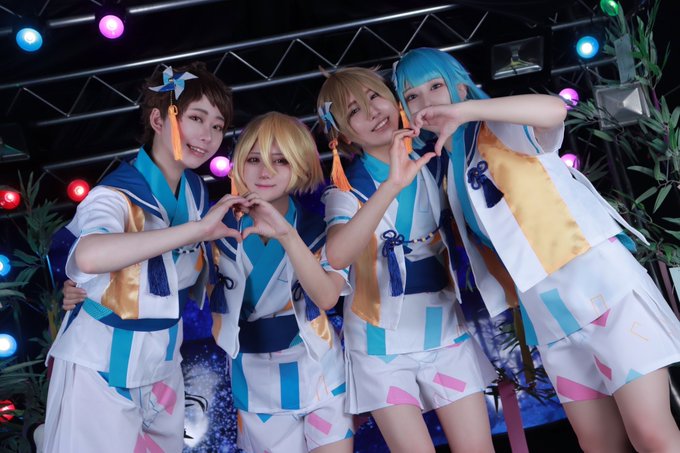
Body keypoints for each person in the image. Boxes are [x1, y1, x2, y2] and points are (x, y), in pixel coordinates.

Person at [394, 47, 680, 453]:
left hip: (602, 290)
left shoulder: (498, 124)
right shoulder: (443, 167)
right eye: (412, 96)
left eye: (435, 86)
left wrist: (467, 111)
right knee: (598, 443)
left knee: (651, 434)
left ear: (460, 87)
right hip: (549, 317)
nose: (426, 101)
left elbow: (554, 110)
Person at [45, 62, 247, 453]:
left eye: (217, 126)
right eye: (196, 118)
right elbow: (87, 256)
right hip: (101, 365)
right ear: (158, 119)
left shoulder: (195, 192)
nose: (207, 136)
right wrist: (196, 231)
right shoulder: (115, 194)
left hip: (163, 365)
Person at [317, 67, 497, 453]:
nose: (372, 112)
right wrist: (392, 184)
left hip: (445, 328)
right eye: (354, 111)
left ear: (394, 98)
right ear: (343, 135)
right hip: (379, 344)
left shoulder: (437, 158)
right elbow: (336, 254)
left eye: (375, 97)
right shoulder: (345, 190)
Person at [206, 111, 354, 452]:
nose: (265, 171)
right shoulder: (214, 228)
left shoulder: (319, 227)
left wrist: (287, 235)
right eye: (254, 159)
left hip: (320, 370)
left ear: (300, 165)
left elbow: (327, 297)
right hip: (254, 379)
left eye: (280, 160)